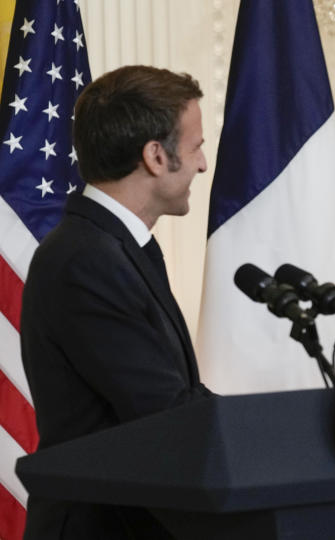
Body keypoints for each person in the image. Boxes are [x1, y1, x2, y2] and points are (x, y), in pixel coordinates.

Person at [20, 65, 213, 539]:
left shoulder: (112, 248)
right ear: (154, 156)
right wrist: (277, 435)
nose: (202, 164)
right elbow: (164, 412)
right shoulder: (85, 261)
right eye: (195, 147)